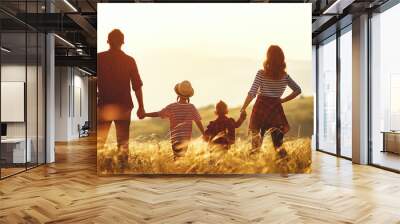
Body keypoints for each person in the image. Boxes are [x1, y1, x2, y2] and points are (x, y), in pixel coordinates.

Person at [240, 45, 302, 156]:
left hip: (260, 109)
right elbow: (298, 90)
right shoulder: (285, 76)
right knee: (278, 146)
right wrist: (282, 100)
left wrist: (243, 107)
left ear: (268, 58)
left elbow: (252, 93)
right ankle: (286, 169)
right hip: (275, 110)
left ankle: (253, 170)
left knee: (255, 146)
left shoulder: (261, 73)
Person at [97, 29, 145, 166]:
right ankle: (122, 170)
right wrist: (141, 106)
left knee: (100, 142)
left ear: (108, 41)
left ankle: (100, 169)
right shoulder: (129, 61)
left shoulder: (99, 58)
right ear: (122, 42)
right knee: (123, 142)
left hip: (104, 105)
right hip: (124, 106)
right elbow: (137, 86)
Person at [144, 80, 205, 159]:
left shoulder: (172, 107)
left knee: (177, 158)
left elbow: (158, 114)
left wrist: (145, 114)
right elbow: (198, 121)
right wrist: (204, 133)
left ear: (178, 94)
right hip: (185, 139)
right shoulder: (191, 107)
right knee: (181, 158)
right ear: (189, 95)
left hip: (175, 138)